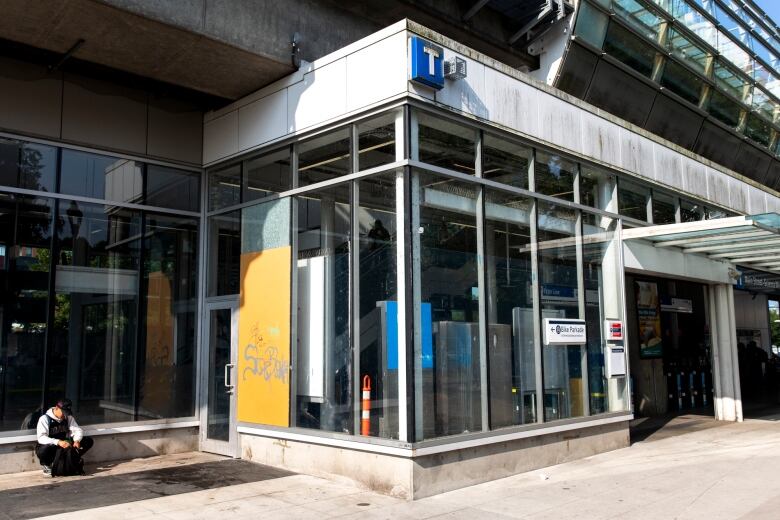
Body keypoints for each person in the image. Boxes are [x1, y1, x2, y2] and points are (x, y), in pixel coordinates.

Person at [36, 398, 93, 476]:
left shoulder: (68, 417)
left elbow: (78, 430)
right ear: (56, 408)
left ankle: (71, 460)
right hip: (52, 447)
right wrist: (58, 442)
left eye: (66, 413)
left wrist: (77, 440)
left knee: (88, 441)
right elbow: (41, 438)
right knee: (44, 448)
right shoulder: (44, 419)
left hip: (65, 446)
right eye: (63, 412)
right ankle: (47, 465)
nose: (64, 415)